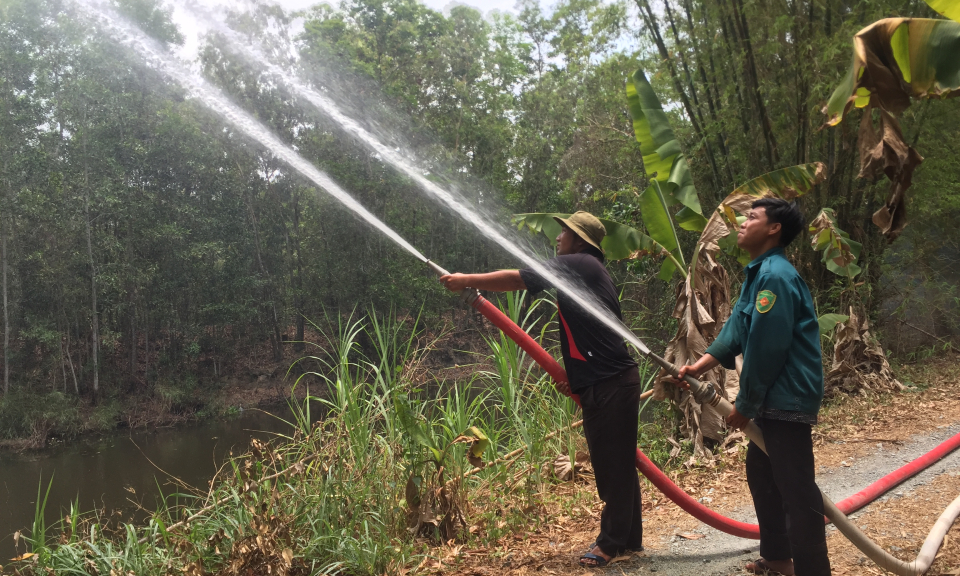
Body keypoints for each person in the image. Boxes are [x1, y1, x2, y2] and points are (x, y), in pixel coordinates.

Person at [439, 211, 643, 567]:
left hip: (612, 383)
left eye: (564, 232)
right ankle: (627, 540)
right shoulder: (585, 268)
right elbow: (588, 332)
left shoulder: (578, 262)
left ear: (580, 240)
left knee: (613, 467)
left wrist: (466, 279)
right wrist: (576, 377)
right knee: (617, 463)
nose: (558, 237)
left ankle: (610, 545)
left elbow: (520, 279)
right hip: (605, 381)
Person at [675, 198, 830, 576]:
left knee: (796, 490)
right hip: (773, 395)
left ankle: (813, 570)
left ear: (774, 228)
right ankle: (778, 559)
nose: (742, 224)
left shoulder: (776, 277)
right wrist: (701, 363)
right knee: (763, 476)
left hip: (786, 394)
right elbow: (737, 332)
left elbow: (766, 347)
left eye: (752, 217)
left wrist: (744, 404)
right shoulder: (759, 274)